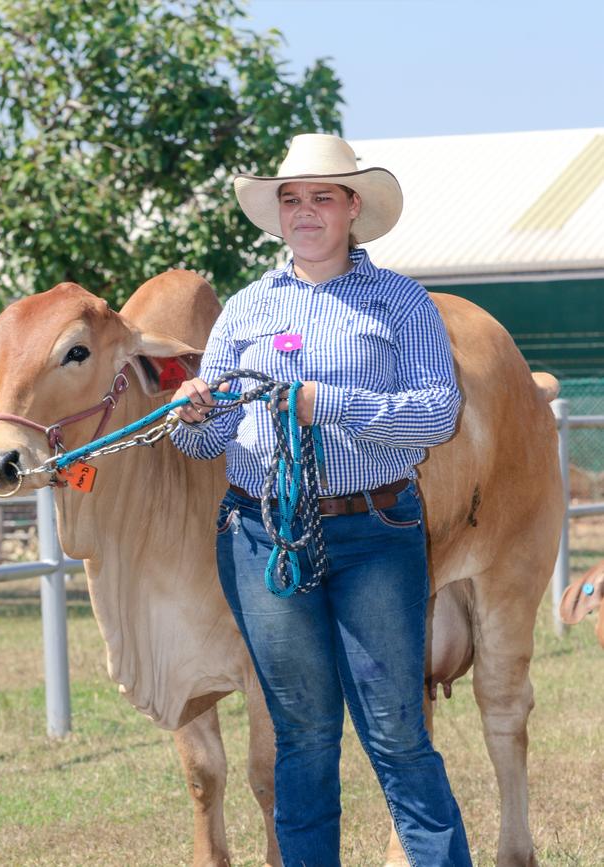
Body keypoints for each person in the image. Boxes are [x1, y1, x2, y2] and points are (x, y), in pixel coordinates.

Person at [169, 134, 472, 867]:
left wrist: (326, 402)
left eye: (322, 197)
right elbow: (205, 448)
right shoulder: (242, 312)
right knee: (300, 732)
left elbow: (437, 412)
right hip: (261, 534)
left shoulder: (401, 301)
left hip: (375, 527)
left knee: (398, 728)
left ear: (352, 208)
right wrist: (194, 413)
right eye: (292, 198)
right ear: (278, 214)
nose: (305, 211)